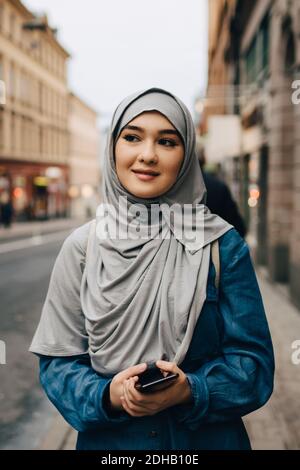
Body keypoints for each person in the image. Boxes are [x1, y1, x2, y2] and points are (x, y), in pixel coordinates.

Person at [29, 87, 274, 451]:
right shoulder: (83, 247)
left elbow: (255, 366)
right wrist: (109, 395)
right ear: (112, 149)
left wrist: (189, 390)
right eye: (132, 137)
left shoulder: (221, 244)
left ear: (186, 154)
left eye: (167, 142)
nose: (147, 155)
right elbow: (58, 364)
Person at [196, 140, 247, 238]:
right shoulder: (219, 187)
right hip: (216, 249)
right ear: (204, 159)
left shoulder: (174, 189)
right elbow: (239, 229)